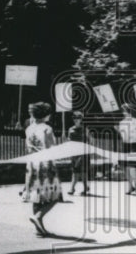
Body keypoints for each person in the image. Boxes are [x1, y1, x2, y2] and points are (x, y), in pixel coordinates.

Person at [23, 101, 63, 236]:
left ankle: (39, 227)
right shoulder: (47, 128)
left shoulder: (29, 128)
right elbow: (51, 147)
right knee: (55, 195)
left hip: (32, 163)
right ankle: (38, 216)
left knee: (36, 196)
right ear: (45, 115)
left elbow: (28, 147)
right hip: (45, 163)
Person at [117, 103, 136, 194]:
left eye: (127, 110)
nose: (125, 112)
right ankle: (130, 187)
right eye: (123, 110)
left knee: (131, 166)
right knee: (125, 167)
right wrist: (118, 130)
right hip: (126, 145)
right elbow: (122, 136)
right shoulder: (121, 123)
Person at [67, 111, 92, 196]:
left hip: (83, 152)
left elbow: (90, 141)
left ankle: (84, 189)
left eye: (78, 117)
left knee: (83, 171)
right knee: (75, 171)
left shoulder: (85, 129)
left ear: (81, 119)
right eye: (74, 118)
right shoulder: (70, 129)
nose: (76, 119)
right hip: (74, 153)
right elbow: (69, 141)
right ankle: (72, 188)